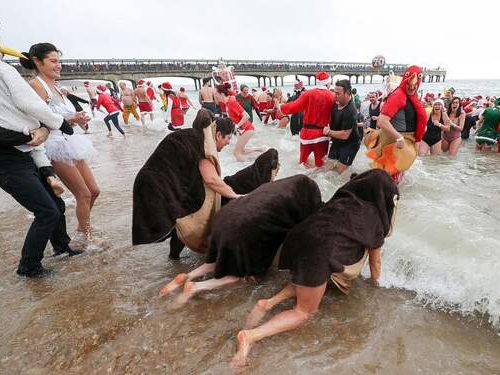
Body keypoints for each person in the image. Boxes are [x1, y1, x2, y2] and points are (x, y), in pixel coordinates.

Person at [232, 169, 399, 369]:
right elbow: (375, 263)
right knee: (304, 312)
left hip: (299, 239)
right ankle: (251, 336)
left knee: (308, 281)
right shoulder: (374, 220)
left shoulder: (343, 199)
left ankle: (266, 304)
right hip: (317, 253)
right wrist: (375, 287)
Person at [0, 13, 83, 277]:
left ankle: (62, 247)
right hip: (0, 160)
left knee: (56, 205)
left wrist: (46, 167)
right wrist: (46, 128)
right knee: (46, 211)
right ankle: (28, 267)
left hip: (24, 154)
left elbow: (27, 117)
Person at [159, 174, 322, 306]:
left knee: (221, 258)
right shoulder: (304, 200)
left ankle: (186, 276)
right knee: (240, 274)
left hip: (224, 217)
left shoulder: (277, 187)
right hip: (241, 229)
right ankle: (196, 287)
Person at [23, 43, 101, 246]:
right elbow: (38, 118)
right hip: (53, 146)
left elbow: (63, 115)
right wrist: (71, 119)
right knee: (83, 194)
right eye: (53, 61)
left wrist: (79, 118)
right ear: (38, 62)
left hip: (71, 141)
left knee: (94, 190)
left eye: (60, 61)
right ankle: (87, 238)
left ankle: (81, 227)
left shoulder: (57, 87)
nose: (59, 65)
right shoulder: (36, 85)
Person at [132, 110, 239, 258]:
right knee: (178, 220)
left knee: (177, 221)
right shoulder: (202, 143)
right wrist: (236, 196)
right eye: (228, 137)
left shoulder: (194, 135)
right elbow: (212, 180)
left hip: (151, 181)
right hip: (155, 185)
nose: (229, 142)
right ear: (218, 135)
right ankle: (172, 261)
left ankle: (173, 260)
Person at [366, 66, 427, 183]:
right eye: (409, 85)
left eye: (415, 86)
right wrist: (399, 138)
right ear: (404, 81)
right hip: (395, 142)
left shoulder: (412, 96)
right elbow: (382, 120)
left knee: (395, 179)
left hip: (404, 142)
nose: (412, 88)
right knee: (390, 181)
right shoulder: (398, 96)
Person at [278, 71, 336, 168]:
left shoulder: (308, 94)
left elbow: (293, 107)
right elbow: (335, 117)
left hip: (306, 135)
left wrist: (281, 107)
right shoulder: (332, 96)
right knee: (320, 166)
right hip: (321, 135)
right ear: (328, 83)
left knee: (302, 163)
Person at [216, 82, 265, 162]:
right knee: (241, 151)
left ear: (221, 94)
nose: (215, 96)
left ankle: (249, 168)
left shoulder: (231, 102)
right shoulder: (228, 102)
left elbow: (246, 116)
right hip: (244, 129)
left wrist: (237, 126)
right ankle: (261, 149)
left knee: (236, 152)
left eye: (216, 94)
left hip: (247, 129)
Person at [323, 79, 360, 173]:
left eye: (338, 94)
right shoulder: (336, 102)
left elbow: (345, 134)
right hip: (336, 141)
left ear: (347, 93)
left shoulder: (351, 110)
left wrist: (328, 132)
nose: (335, 96)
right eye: (334, 93)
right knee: (327, 169)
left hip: (350, 144)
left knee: (339, 173)